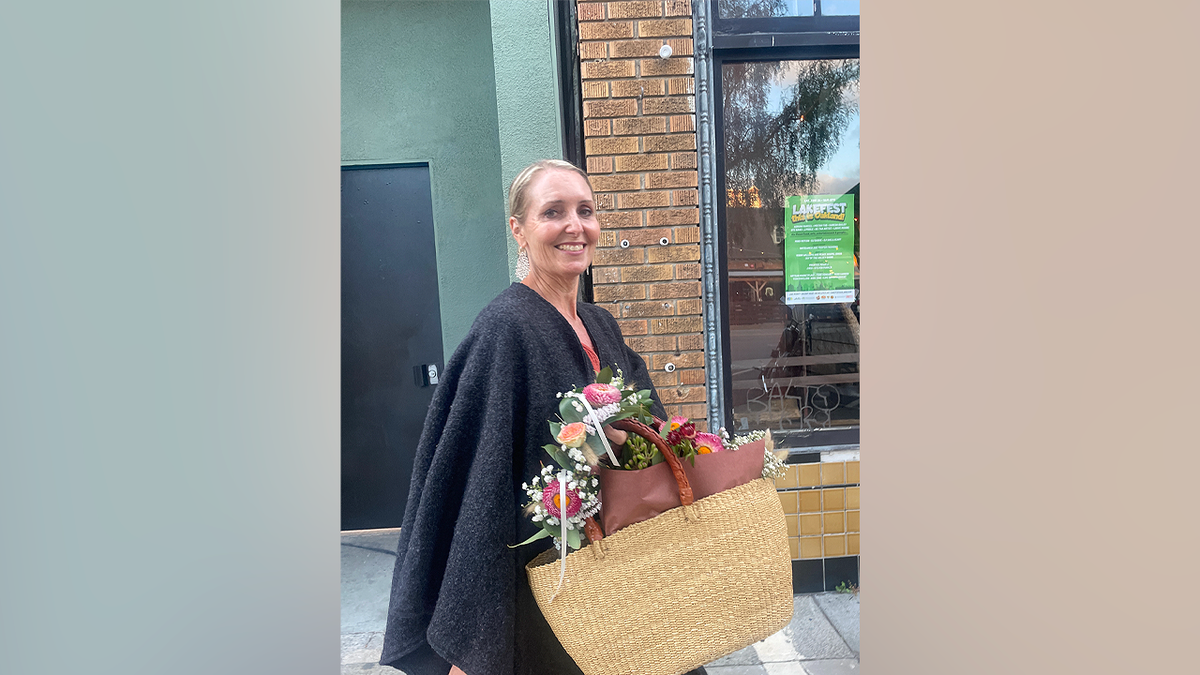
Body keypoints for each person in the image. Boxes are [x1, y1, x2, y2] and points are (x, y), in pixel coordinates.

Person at [379, 160, 704, 675]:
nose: (575, 226)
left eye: (586, 211)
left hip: (622, 577)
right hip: (547, 591)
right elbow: (479, 485)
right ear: (519, 230)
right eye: (553, 212)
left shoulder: (600, 323)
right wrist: (475, 640)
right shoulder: (504, 330)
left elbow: (649, 424)